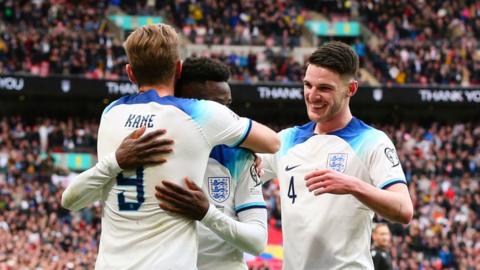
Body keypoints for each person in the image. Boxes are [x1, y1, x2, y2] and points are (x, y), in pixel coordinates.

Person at [61, 24, 280, 270]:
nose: (224, 109)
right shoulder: (199, 115)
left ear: (130, 73)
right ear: (177, 69)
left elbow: (71, 200)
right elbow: (272, 142)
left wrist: (116, 161)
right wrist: (247, 145)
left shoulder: (111, 114)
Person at [259, 41, 413, 269]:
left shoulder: (372, 141)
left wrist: (353, 185)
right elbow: (240, 174)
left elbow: (404, 209)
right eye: (307, 85)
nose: (312, 95)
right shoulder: (286, 140)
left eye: (324, 88)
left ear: (350, 89)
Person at [155, 57, 268, 270]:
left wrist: (207, 214)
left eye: (227, 105)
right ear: (182, 102)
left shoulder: (239, 156)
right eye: (215, 106)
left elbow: (258, 241)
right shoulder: (153, 150)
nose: (225, 115)